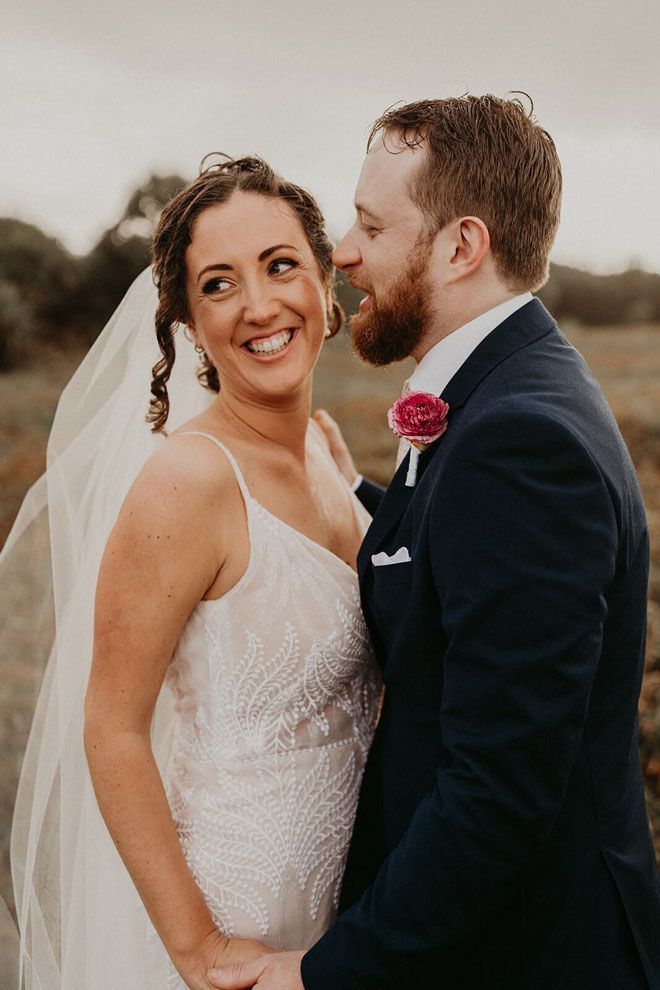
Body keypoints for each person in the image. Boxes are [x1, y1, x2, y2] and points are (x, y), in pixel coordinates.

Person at [208, 96, 660, 990]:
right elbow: (466, 563)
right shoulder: (508, 390)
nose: (342, 252)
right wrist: (351, 496)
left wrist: (332, 972)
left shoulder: (518, 440)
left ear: (461, 246)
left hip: (531, 954)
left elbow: (499, 788)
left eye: (372, 226)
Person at [7, 156, 380, 989]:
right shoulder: (191, 480)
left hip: (352, 916)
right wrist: (197, 948)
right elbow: (111, 725)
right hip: (239, 913)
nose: (258, 305)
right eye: (219, 284)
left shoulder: (324, 452)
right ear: (189, 322)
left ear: (326, 282)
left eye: (280, 265)